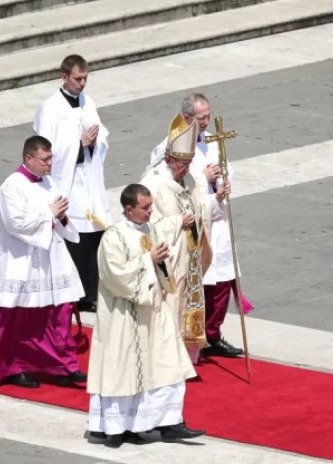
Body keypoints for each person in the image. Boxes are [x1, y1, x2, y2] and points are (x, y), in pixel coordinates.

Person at [87, 184, 205, 446]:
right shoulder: (113, 237)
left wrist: (177, 225)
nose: (151, 212)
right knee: (124, 370)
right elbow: (114, 275)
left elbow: (163, 234)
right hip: (124, 316)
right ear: (129, 210)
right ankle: (119, 427)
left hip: (153, 311)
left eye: (151, 206)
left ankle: (171, 423)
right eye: (145, 207)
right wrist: (147, 260)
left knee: (168, 363)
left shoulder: (148, 227)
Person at [0, 136, 87, 389]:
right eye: (45, 159)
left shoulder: (47, 181)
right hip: (22, 262)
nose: (50, 165)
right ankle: (15, 367)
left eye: (51, 159)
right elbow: (15, 224)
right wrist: (49, 214)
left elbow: (58, 213)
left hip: (50, 260)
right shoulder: (11, 187)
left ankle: (62, 366)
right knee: (21, 317)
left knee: (57, 313)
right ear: (28, 158)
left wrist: (61, 216)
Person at [149, 94, 252, 358]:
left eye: (208, 115)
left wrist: (224, 181)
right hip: (193, 221)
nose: (206, 122)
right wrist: (202, 178)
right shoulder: (169, 145)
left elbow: (226, 166)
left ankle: (213, 334)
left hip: (215, 216)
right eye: (201, 117)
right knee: (200, 281)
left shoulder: (211, 140)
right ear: (186, 117)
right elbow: (167, 178)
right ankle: (196, 337)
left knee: (222, 280)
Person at [140, 114, 228, 364]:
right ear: (168, 159)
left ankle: (186, 359)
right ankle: (166, 359)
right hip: (169, 260)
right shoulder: (152, 184)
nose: (187, 169)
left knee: (187, 306)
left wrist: (217, 199)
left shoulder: (187, 178)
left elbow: (200, 207)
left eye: (189, 162)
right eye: (182, 163)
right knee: (169, 308)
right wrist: (179, 222)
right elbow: (146, 226)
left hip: (188, 256)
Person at [33, 54, 111, 313]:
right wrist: (79, 145)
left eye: (85, 78)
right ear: (64, 77)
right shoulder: (51, 107)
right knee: (75, 237)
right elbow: (44, 149)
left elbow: (103, 135)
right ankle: (72, 294)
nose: (82, 84)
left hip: (90, 178)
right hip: (68, 181)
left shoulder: (89, 103)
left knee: (94, 236)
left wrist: (95, 141)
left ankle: (90, 293)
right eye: (78, 78)